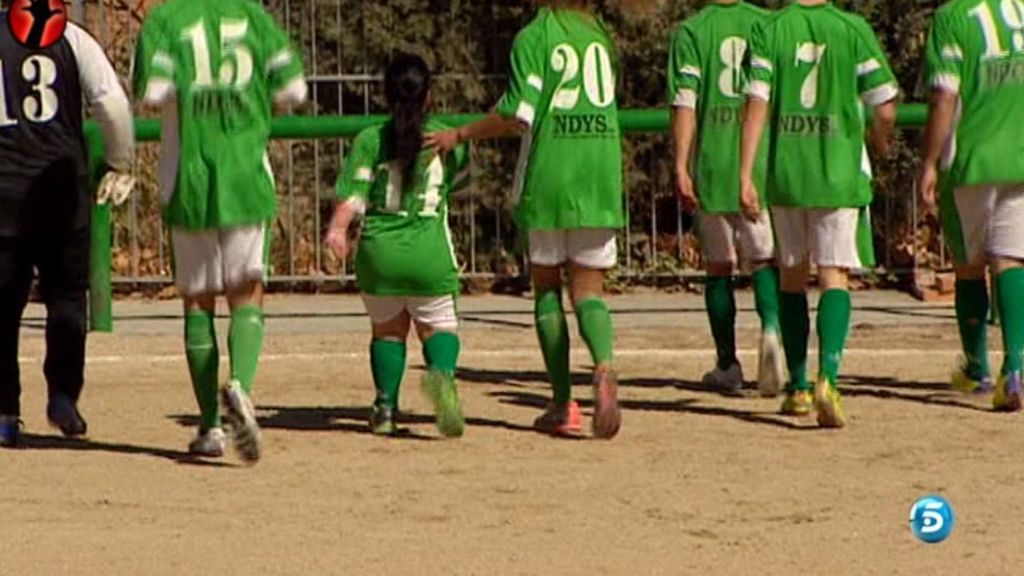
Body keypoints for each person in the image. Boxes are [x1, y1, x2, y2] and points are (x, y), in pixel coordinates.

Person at [428, 0, 627, 439]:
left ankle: (562, 403)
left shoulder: (535, 36)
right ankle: (605, 365)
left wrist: (460, 133)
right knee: (590, 290)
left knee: (547, 287)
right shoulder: (596, 35)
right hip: (600, 173)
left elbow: (518, 113)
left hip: (551, 174)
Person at [134, 0, 307, 461]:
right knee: (246, 293)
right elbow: (293, 90)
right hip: (246, 173)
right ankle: (241, 389)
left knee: (197, 301)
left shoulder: (166, 20)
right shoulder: (254, 17)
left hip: (187, 177)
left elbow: (151, 94)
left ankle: (210, 426)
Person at [740, 0, 898, 427]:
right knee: (834, 276)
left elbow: (756, 102)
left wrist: (745, 172)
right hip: (839, 172)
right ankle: (828, 377)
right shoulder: (852, 29)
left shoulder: (770, 30)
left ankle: (797, 387)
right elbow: (884, 103)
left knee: (791, 276)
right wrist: (877, 140)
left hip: (789, 174)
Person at [0, 4, 135, 448]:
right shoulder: (72, 39)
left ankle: (4, 412)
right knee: (66, 301)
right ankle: (62, 395)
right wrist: (120, 160)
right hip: (63, 192)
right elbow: (111, 103)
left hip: (4, 195)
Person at [326, 55, 469, 438]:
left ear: (386, 95)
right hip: (429, 252)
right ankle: (441, 378)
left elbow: (353, 197)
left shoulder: (370, 139)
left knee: (387, 331)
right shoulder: (445, 138)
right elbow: (459, 179)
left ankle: (385, 407)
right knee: (439, 328)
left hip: (379, 253)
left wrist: (337, 231)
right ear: (430, 96)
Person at [667, 0, 784, 397]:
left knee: (719, 268)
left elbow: (685, 103)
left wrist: (681, 164)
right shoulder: (767, 23)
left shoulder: (693, 31)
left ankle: (727, 363)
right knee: (764, 260)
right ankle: (771, 332)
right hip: (758, 162)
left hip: (713, 165)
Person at [920, 0, 1024, 411]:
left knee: (968, 264)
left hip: (971, 157)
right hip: (1019, 153)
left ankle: (977, 365)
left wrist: (928, 162)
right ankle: (1015, 365)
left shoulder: (953, 17)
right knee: (1011, 260)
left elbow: (945, 94)